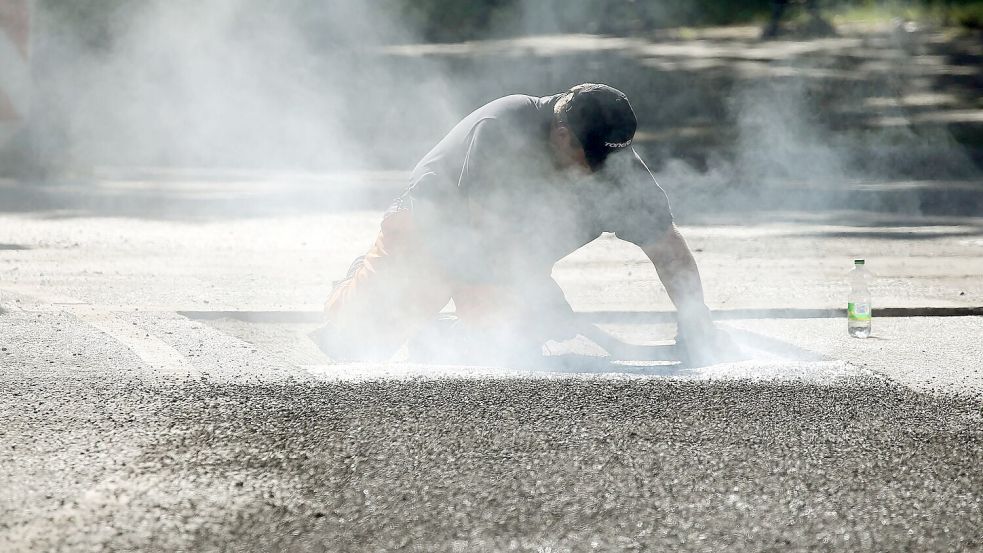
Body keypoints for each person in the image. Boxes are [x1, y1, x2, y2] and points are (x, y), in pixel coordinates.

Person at [315, 83, 734, 364]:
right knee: (352, 347)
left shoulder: (614, 164)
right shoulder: (505, 127)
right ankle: (355, 290)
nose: (605, 171)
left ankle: (444, 335)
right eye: (595, 159)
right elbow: (480, 237)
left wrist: (696, 320)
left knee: (506, 349)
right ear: (561, 134)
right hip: (433, 234)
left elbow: (668, 248)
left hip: (503, 258)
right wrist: (541, 297)